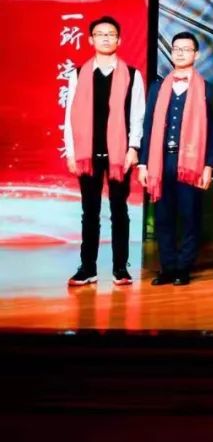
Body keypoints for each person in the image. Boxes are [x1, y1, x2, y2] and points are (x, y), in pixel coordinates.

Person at [64, 16, 146, 286]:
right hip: (87, 154)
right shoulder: (78, 74)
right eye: (100, 34)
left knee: (119, 211)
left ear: (119, 40)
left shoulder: (132, 74)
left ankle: (120, 268)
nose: (106, 38)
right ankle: (87, 268)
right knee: (90, 212)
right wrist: (71, 152)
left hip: (119, 154)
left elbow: (137, 115)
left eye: (111, 34)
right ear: (91, 40)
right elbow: (70, 116)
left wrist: (133, 148)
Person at [138, 31, 213, 286]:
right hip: (160, 161)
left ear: (196, 54)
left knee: (189, 216)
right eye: (176, 49)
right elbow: (148, 126)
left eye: (186, 49)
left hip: (191, 163)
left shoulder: (207, 89)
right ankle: (168, 266)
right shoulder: (158, 87)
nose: (181, 53)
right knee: (163, 217)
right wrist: (143, 163)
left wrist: (209, 165)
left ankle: (184, 267)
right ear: (171, 53)